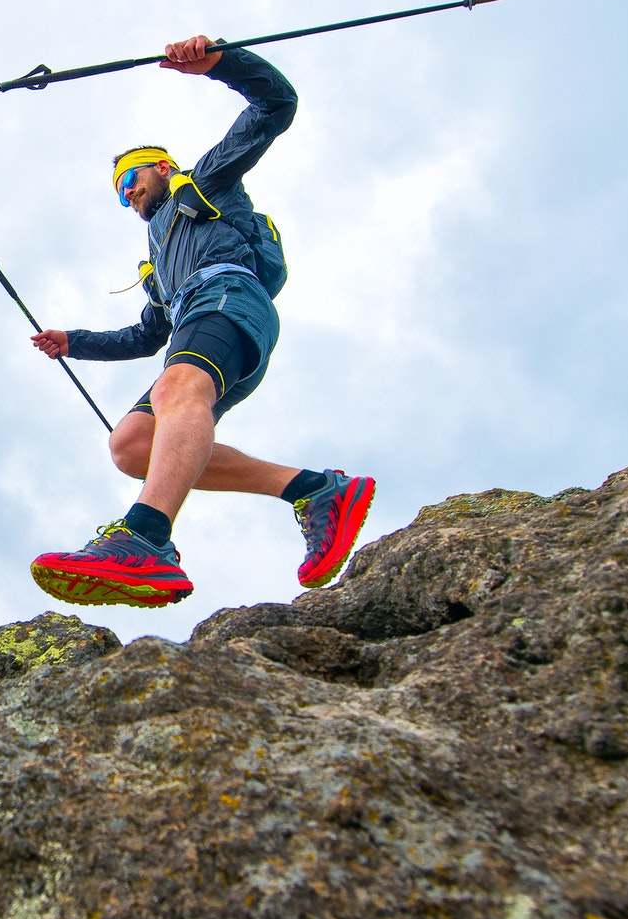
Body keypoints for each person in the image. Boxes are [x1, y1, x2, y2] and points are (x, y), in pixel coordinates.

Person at [27, 35, 374, 608]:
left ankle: (145, 539)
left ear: (163, 168)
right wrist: (75, 342)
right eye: (119, 194)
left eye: (132, 179)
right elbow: (147, 334)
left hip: (231, 297)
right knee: (133, 446)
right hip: (200, 316)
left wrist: (222, 63)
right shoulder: (158, 263)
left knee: (177, 388)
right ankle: (315, 490)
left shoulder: (204, 184)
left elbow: (275, 106)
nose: (128, 194)